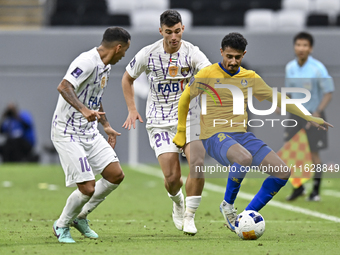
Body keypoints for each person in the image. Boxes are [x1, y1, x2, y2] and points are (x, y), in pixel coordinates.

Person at [173, 32, 332, 233]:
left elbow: (279, 99)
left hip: (242, 135)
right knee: (244, 158)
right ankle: (228, 206)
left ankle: (245, 217)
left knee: (282, 172)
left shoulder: (250, 77)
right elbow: (185, 98)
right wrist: (181, 131)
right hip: (213, 136)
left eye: (237, 57)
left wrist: (308, 116)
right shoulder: (207, 74)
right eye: (228, 56)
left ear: (243, 55)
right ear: (221, 52)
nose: (232, 61)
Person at [121, 10, 211, 235]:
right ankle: (178, 201)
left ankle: (190, 216)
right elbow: (127, 78)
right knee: (172, 178)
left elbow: (209, 74)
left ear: (183, 30)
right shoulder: (148, 54)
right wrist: (132, 109)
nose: (174, 37)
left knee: (197, 165)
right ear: (161, 31)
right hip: (159, 121)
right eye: (169, 32)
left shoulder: (192, 53)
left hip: (189, 117)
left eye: (177, 31)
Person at [51, 27, 130, 243]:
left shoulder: (105, 67)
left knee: (115, 175)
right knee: (87, 187)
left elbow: (95, 96)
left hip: (89, 131)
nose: (124, 56)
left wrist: (105, 125)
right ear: (118, 47)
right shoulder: (86, 61)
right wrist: (84, 110)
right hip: (67, 132)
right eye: (124, 52)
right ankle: (62, 225)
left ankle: (81, 216)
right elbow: (64, 86)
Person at [284, 32, 334, 202]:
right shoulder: (290, 67)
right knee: (292, 153)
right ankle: (298, 188)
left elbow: (328, 92)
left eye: (305, 45)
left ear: (310, 48)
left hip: (314, 115)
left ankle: (315, 191)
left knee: (314, 154)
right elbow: (289, 92)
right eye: (298, 45)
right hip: (296, 115)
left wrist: (318, 112)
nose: (301, 48)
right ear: (294, 47)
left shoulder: (318, 68)